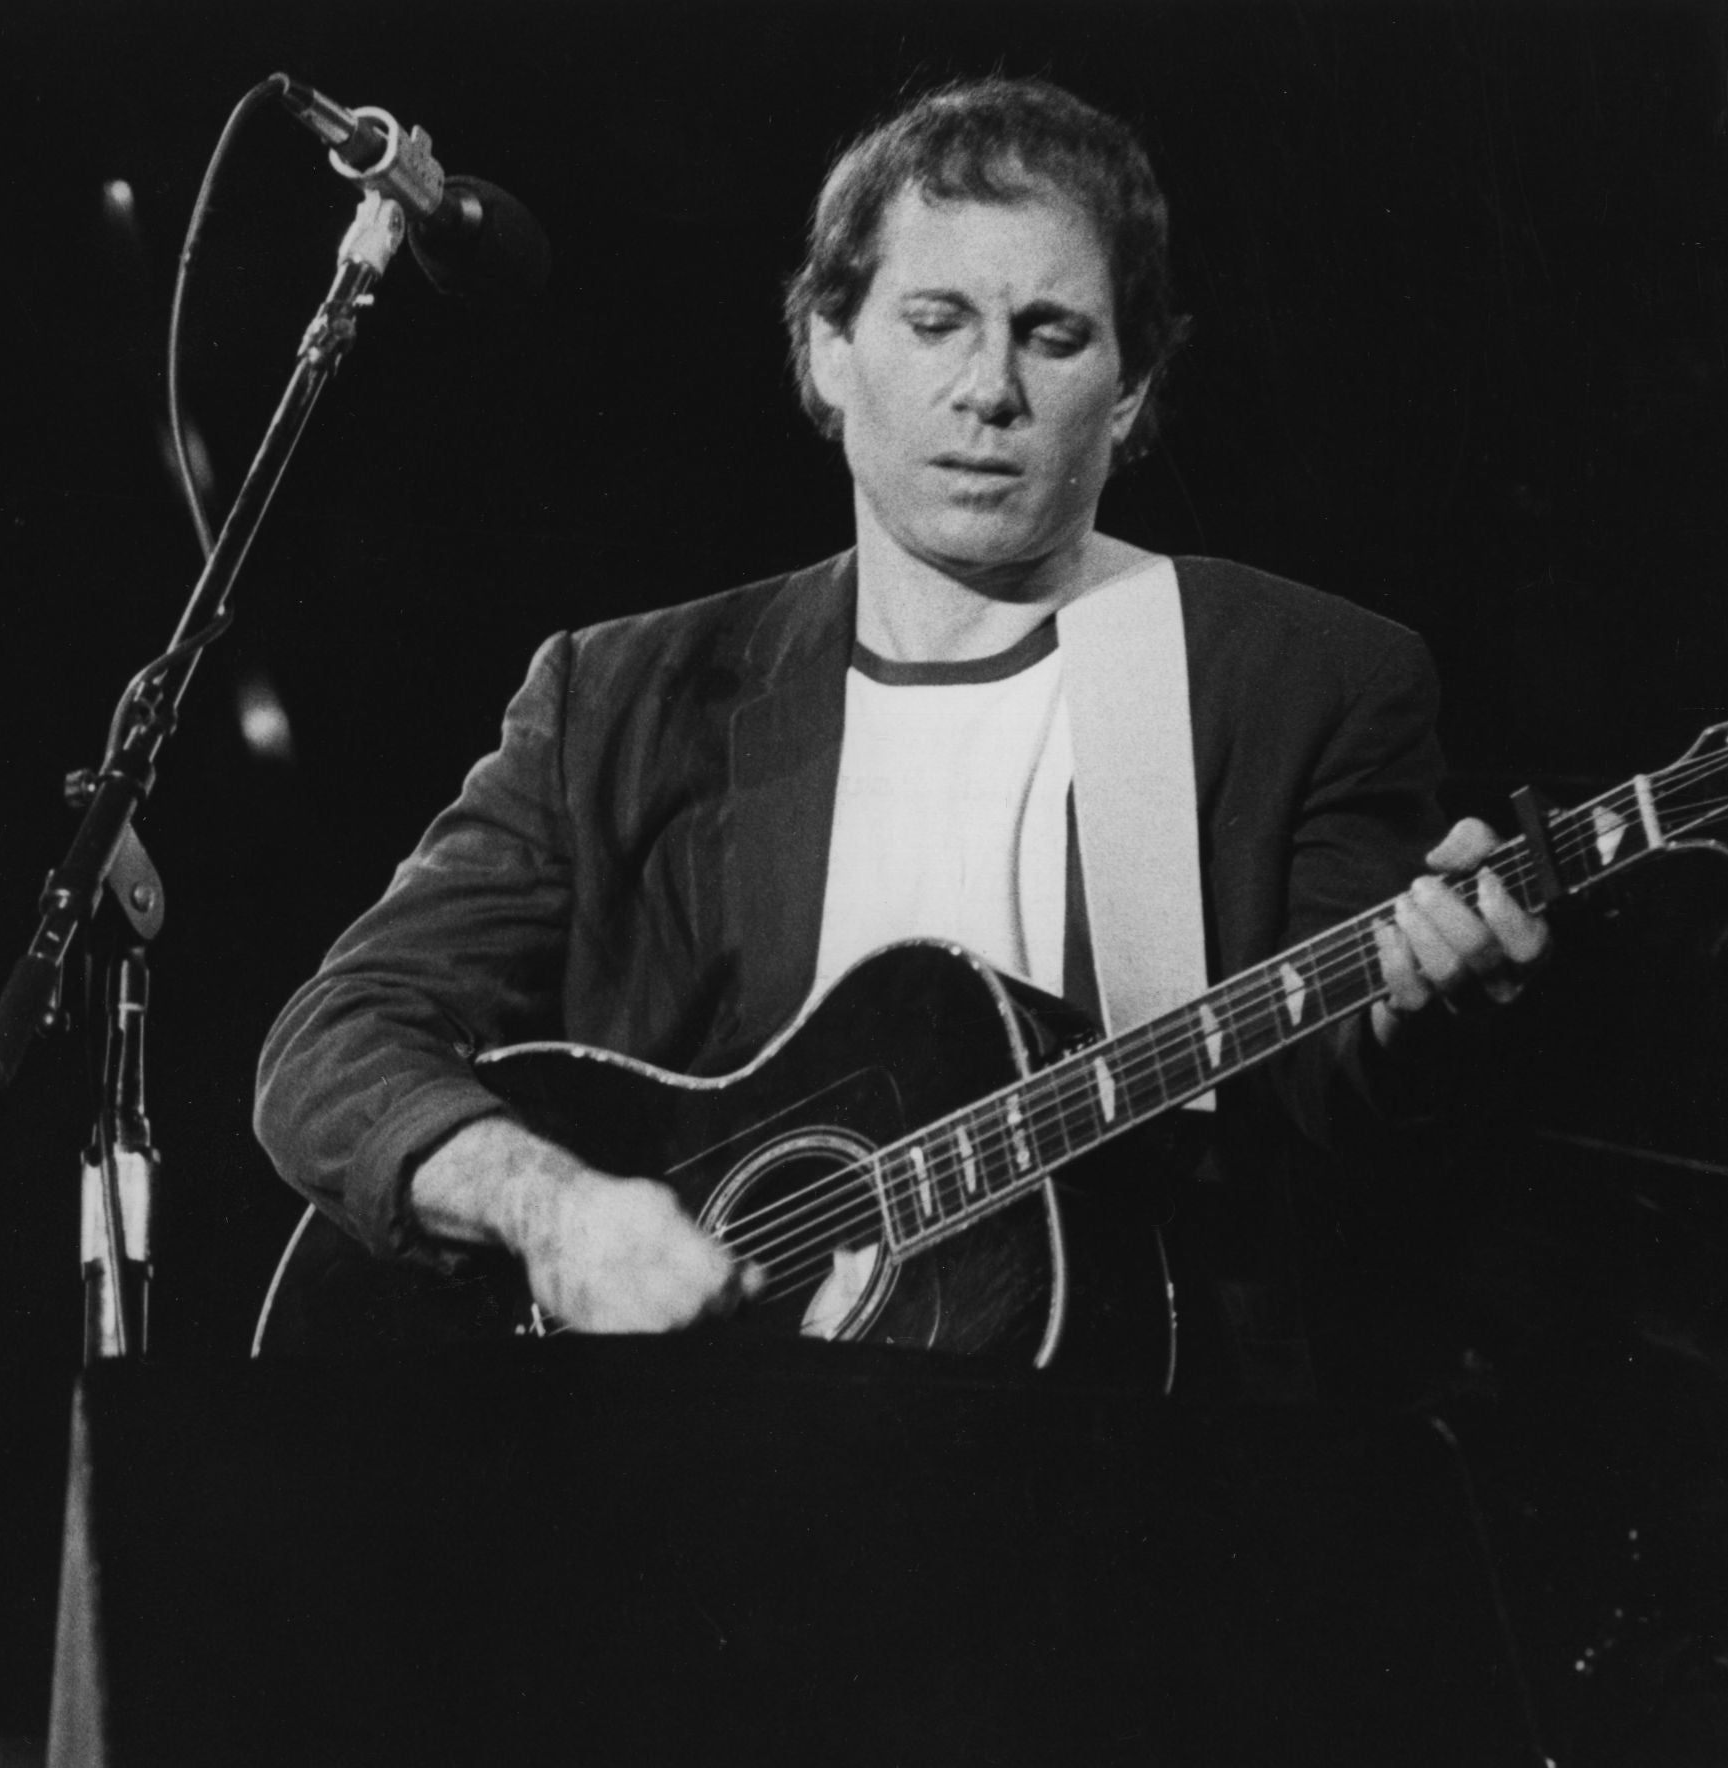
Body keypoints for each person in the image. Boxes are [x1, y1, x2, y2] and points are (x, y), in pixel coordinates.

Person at [254, 76, 1549, 1355]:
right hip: (680, 1494)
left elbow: (1345, 1118)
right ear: (825, 347)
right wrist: (550, 1211)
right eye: (934, 321)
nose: (989, 389)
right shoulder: (624, 694)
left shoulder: (1296, 675)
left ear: (1135, 387)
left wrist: (1416, 1008)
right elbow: (335, 1045)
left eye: (1051, 334)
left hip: (1120, 1459)